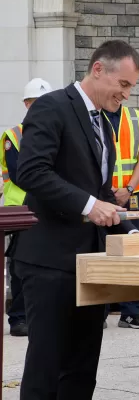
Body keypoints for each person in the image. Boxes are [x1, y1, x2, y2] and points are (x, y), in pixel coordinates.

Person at [14, 40, 139, 400]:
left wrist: (128, 229)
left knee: (82, 367)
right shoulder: (51, 107)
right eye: (124, 85)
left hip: (89, 263)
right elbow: (32, 171)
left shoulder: (102, 121)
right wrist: (88, 205)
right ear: (99, 69)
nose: (127, 95)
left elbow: (99, 190)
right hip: (49, 261)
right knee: (46, 365)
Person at [1, 77, 52, 337]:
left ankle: (39, 316)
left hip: (48, 208)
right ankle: (19, 318)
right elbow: (21, 175)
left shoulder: (56, 133)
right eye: (35, 103)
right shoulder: (14, 136)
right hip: (21, 210)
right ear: (26, 104)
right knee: (21, 267)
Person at [102, 104, 139, 329]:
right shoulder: (91, 114)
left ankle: (131, 313)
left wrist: (128, 189)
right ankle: (97, 312)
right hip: (100, 197)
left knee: (133, 252)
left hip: (131, 196)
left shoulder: (136, 118)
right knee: (98, 252)